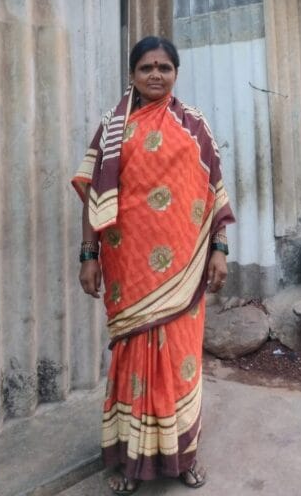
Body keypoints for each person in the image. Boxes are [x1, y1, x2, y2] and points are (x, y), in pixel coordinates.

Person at [71, 35, 235, 495]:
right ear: (132, 75)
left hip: (184, 268)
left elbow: (213, 197)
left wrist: (219, 249)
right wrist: (89, 256)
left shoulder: (193, 126)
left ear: (176, 73)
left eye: (164, 67)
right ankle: (126, 460)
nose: (156, 75)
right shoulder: (112, 128)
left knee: (180, 359)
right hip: (129, 268)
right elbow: (92, 196)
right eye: (146, 68)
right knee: (133, 359)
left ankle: (183, 456)